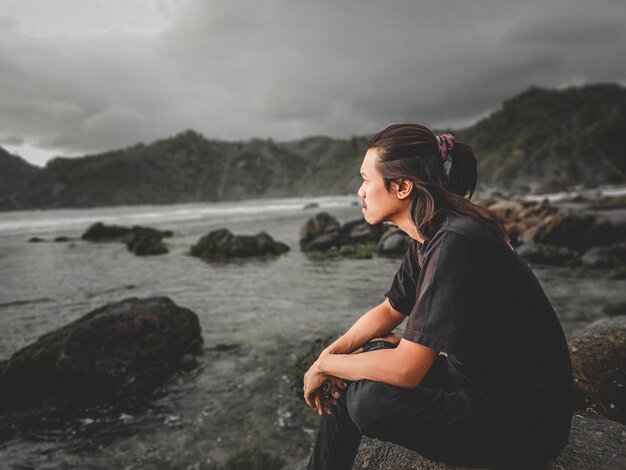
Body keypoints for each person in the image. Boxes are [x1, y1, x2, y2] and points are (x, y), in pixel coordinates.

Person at [302, 124, 574, 470]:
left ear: (401, 186)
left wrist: (326, 366)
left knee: (369, 401)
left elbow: (407, 370)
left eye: (366, 179)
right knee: (365, 355)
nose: (360, 192)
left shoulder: (454, 242)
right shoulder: (431, 234)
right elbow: (390, 310)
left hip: (523, 425)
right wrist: (330, 354)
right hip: (478, 385)